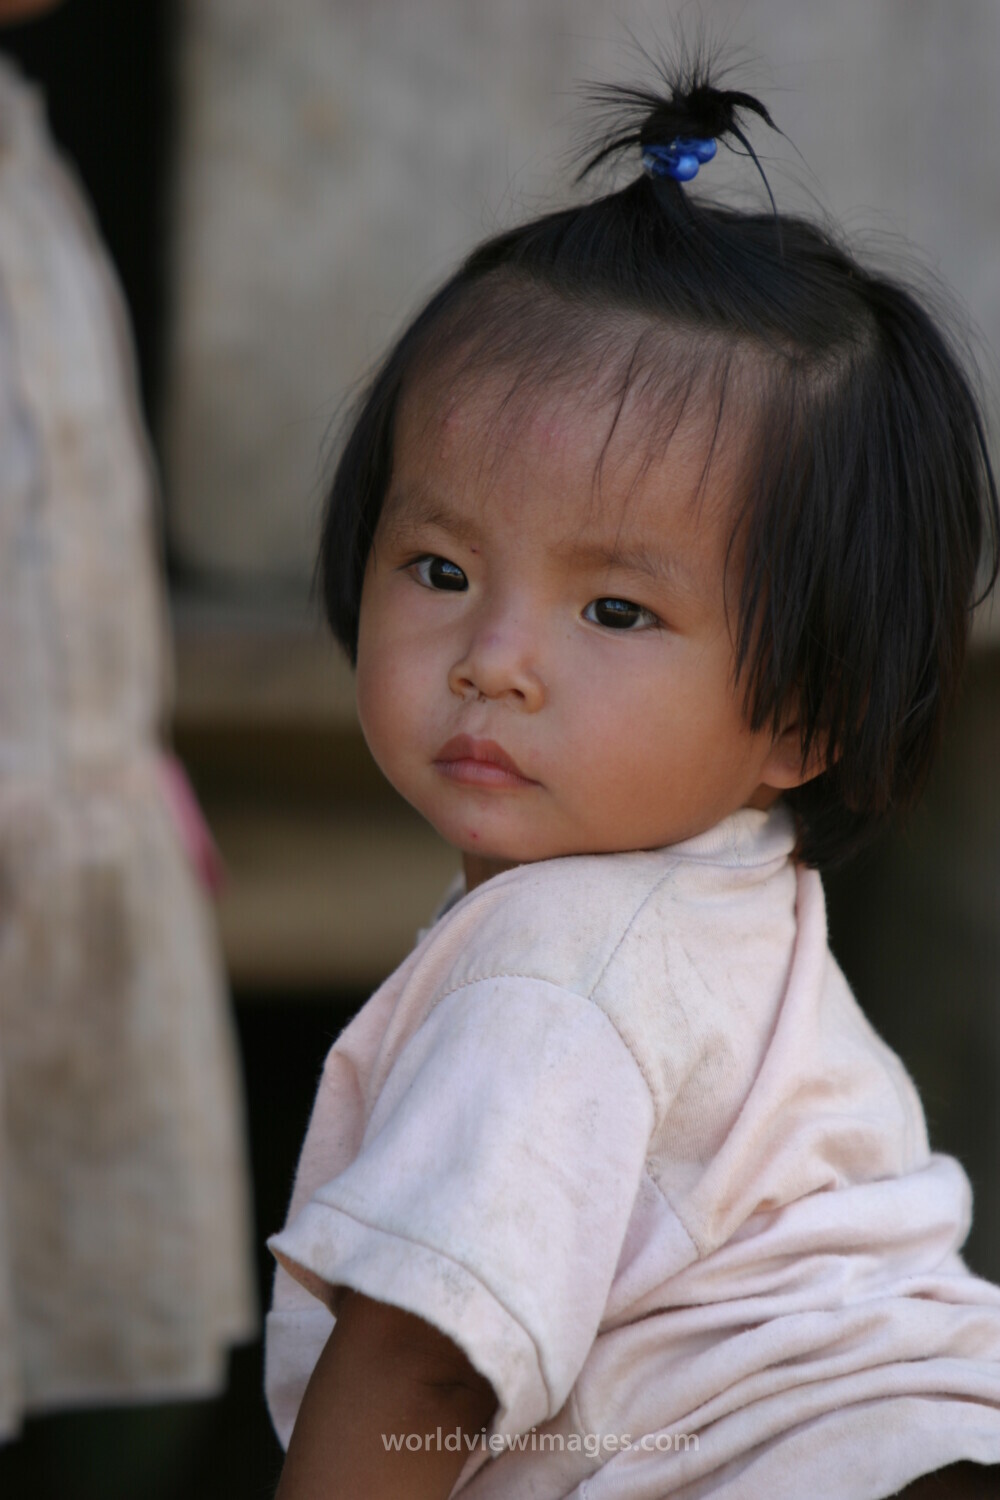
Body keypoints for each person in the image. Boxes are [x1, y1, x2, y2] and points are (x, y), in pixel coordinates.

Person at [264, 57, 1000, 1499]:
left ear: (803, 710)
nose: (494, 658)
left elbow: (420, 1361)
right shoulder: (727, 901)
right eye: (440, 567)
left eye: (615, 611)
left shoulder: (555, 970)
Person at [0, 0, 255, 1454]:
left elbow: (68, 506)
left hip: (86, 844)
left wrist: (113, 740)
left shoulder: (24, 159)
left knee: (119, 1343)